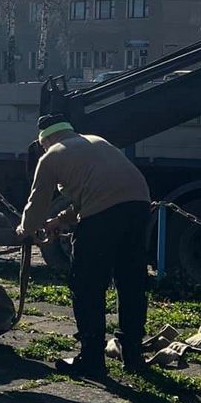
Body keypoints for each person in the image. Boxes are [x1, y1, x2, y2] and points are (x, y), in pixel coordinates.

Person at [15, 113, 152, 377]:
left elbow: (37, 202)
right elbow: (95, 193)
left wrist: (26, 230)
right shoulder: (95, 141)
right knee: (130, 281)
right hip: (138, 205)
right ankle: (132, 353)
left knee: (87, 284)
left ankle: (91, 359)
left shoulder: (51, 155)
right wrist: (60, 220)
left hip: (103, 215)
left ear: (45, 139)